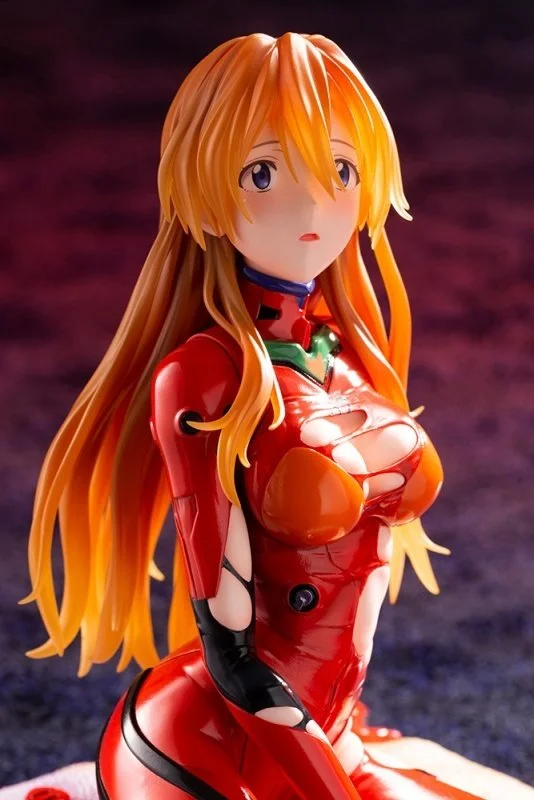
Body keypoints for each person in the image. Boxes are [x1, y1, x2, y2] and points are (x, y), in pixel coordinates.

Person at [19, 32, 485, 799]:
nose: (311, 203)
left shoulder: (350, 354)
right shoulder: (203, 377)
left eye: (339, 169)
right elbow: (233, 657)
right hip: (209, 743)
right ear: (202, 190)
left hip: (331, 724)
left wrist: (338, 741)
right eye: (263, 172)